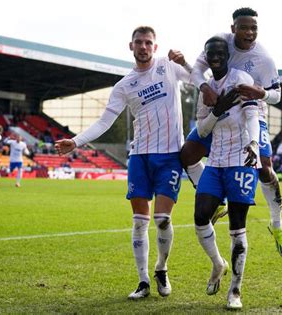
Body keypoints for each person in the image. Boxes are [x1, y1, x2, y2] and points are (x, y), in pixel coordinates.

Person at [54, 26, 191, 300]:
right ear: (131, 46)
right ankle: (143, 281)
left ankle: (161, 268)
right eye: (138, 42)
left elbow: (202, 79)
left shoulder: (169, 67)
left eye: (148, 42)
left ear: (155, 45)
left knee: (162, 219)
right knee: (140, 221)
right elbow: (106, 121)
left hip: (169, 156)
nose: (143, 46)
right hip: (139, 156)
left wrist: (185, 61)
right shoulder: (124, 85)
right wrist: (77, 141)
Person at [183, 7, 282, 256]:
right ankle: (215, 196)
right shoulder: (220, 43)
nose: (249, 33)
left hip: (250, 114)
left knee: (264, 167)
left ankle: (277, 224)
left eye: (253, 28)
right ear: (233, 29)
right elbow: (198, 69)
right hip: (217, 114)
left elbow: (277, 95)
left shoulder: (264, 59)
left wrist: (260, 93)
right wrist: (204, 88)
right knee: (187, 155)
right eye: (244, 27)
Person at [194, 36, 260, 310]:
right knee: (200, 217)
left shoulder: (240, 78)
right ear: (207, 57)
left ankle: (235, 290)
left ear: (228, 54)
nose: (216, 57)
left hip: (241, 159)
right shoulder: (205, 89)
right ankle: (218, 264)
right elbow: (202, 131)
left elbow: (252, 115)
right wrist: (217, 110)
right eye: (211, 53)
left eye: (221, 52)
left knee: (237, 227)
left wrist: (254, 143)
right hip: (215, 162)